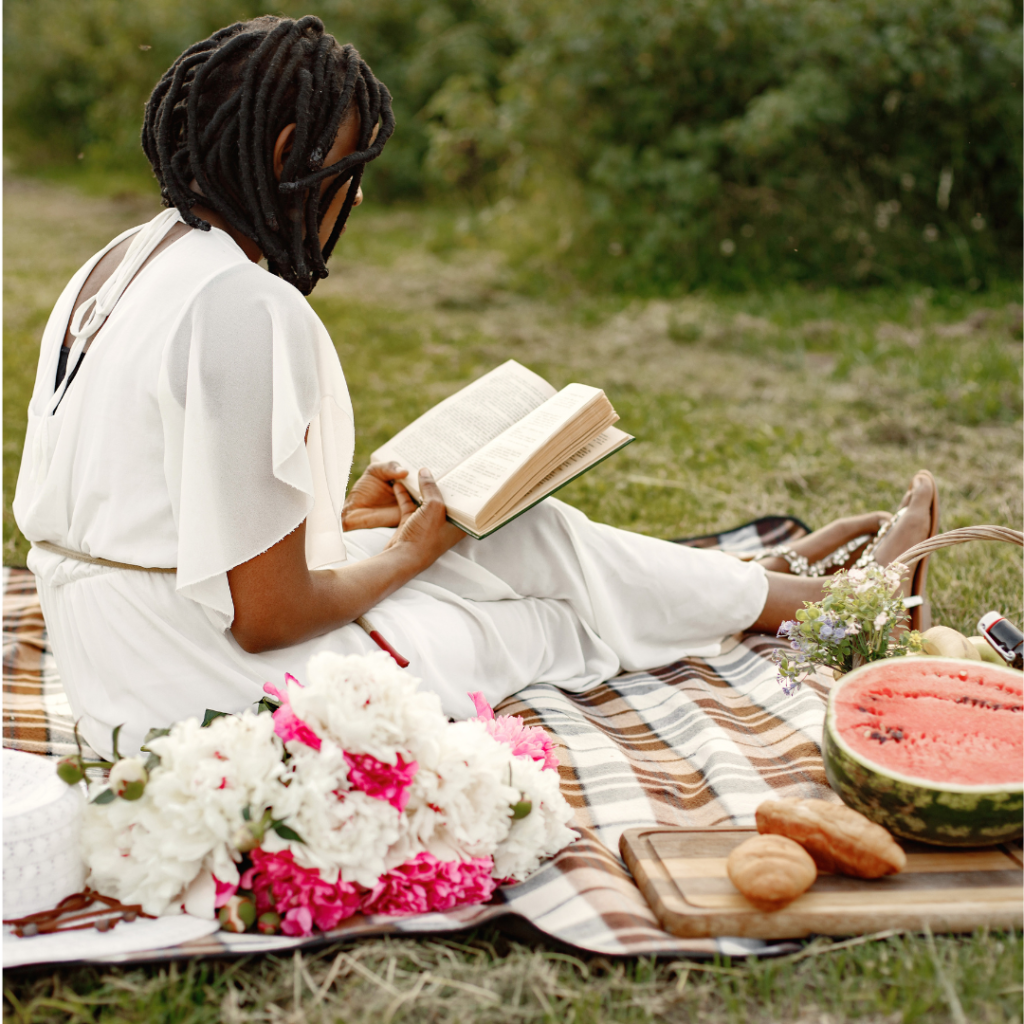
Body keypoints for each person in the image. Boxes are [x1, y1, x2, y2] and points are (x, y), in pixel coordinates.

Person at [12, 16, 937, 758]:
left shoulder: (125, 259)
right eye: (349, 170)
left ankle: (767, 589)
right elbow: (269, 617)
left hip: (120, 668)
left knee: (517, 536)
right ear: (290, 150)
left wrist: (346, 517)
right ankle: (812, 604)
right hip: (205, 695)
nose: (358, 199)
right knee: (538, 624)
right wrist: (416, 548)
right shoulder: (244, 307)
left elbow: (158, 518)